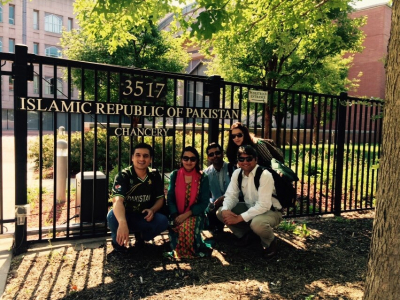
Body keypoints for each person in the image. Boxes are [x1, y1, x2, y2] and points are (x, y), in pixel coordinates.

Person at [217, 145, 283, 259]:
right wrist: (226, 209)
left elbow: (264, 205)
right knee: (220, 212)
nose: (245, 162)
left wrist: (239, 218)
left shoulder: (264, 174)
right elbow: (231, 195)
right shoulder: (237, 173)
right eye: (241, 159)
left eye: (249, 159)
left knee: (257, 223)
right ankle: (248, 235)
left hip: (271, 211)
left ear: (256, 159)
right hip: (251, 208)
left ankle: (270, 242)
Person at [107, 143, 169, 252]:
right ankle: (118, 242)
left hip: (143, 216)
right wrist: (122, 222)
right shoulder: (124, 175)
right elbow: (117, 201)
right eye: (138, 155)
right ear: (132, 157)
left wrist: (152, 210)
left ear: (150, 159)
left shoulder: (154, 175)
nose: (141, 159)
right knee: (112, 216)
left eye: (145, 156)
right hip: (125, 215)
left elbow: (160, 198)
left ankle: (141, 236)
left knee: (163, 220)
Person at [167, 146, 212, 258]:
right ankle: (179, 248)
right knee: (177, 224)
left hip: (195, 214)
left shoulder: (203, 177)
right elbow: (170, 197)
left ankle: (189, 251)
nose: (189, 161)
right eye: (185, 158)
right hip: (176, 213)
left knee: (186, 225)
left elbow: (204, 202)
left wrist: (187, 215)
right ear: (181, 160)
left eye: (192, 159)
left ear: (197, 161)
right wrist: (175, 215)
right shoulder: (175, 175)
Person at [203, 142, 232, 233]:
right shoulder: (206, 173)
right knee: (209, 207)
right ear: (208, 157)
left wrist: (224, 199)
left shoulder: (232, 168)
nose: (215, 156)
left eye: (217, 153)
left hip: (232, 202)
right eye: (211, 154)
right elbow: (204, 194)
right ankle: (216, 227)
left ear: (222, 154)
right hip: (215, 205)